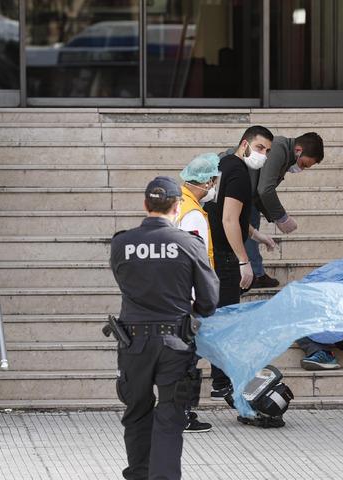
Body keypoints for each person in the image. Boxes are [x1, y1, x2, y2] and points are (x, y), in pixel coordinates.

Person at [109, 176, 219, 480]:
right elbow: (209, 300)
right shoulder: (189, 243)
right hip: (176, 343)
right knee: (170, 417)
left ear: (146, 205)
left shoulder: (122, 243)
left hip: (133, 343)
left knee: (136, 413)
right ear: (177, 206)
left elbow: (124, 281)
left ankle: (139, 475)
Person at [205, 126, 277, 400]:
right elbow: (228, 219)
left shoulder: (224, 165)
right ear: (245, 144)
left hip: (215, 253)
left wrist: (257, 235)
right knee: (226, 321)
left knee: (219, 319)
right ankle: (221, 382)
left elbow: (229, 212)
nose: (263, 155)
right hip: (224, 257)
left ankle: (221, 379)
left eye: (268, 151)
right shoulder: (238, 173)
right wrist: (243, 261)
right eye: (260, 148)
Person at [175, 153, 221, 433]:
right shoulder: (192, 214)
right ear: (207, 182)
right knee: (187, 359)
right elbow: (193, 260)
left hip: (173, 294)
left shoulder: (176, 203)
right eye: (214, 180)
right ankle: (182, 414)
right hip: (187, 297)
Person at [245, 132, 324, 288]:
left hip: (248, 195)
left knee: (250, 228)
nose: (302, 169)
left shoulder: (285, 154)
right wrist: (282, 218)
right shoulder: (278, 148)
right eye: (304, 164)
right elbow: (265, 189)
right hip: (239, 190)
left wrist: (275, 217)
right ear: (298, 150)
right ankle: (254, 274)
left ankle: (256, 273)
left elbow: (261, 192)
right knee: (246, 229)